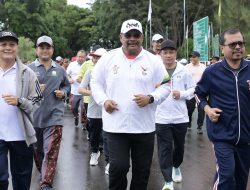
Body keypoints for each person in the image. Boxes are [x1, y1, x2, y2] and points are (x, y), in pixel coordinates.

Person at [90, 19, 171, 190]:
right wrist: (104, 101)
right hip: (115, 126)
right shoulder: (108, 58)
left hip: (144, 127)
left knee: (142, 172)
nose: (132, 39)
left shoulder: (153, 60)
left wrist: (151, 97)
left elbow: (166, 85)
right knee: (118, 167)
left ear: (142, 37)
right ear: (121, 37)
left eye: (136, 35)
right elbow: (95, 82)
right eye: (128, 35)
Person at [195, 28, 250, 190]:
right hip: (222, 135)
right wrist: (208, 110)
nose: (238, 47)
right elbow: (198, 94)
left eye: (240, 43)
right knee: (226, 175)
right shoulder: (212, 72)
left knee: (241, 180)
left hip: (246, 137)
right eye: (233, 44)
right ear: (222, 48)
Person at [0, 31, 42, 190]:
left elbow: (38, 98)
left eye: (11, 44)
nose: (7, 48)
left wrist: (20, 102)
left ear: (17, 47)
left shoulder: (28, 73)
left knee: (22, 181)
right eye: (3, 44)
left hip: (21, 135)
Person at [28, 35, 71, 190]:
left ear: (52, 50)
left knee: (51, 150)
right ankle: (44, 172)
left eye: (48, 47)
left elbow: (67, 86)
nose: (45, 50)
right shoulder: (29, 69)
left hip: (55, 116)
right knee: (38, 151)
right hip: (34, 118)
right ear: (36, 50)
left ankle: (46, 183)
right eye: (42, 47)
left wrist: (64, 93)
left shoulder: (59, 69)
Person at [155, 39, 195, 190]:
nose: (168, 56)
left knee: (179, 146)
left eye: (171, 52)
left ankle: (176, 166)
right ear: (161, 54)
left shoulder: (183, 70)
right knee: (164, 148)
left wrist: (182, 93)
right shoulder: (156, 70)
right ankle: (167, 181)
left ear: (175, 53)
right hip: (161, 117)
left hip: (180, 117)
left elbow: (193, 89)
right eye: (165, 53)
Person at [78, 48, 107, 167]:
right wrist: (93, 93)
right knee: (94, 134)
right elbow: (80, 89)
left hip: (109, 110)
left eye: (98, 57)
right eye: (94, 57)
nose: (95, 59)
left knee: (108, 136)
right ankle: (94, 152)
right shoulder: (90, 72)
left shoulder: (112, 72)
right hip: (94, 110)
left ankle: (109, 161)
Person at [185, 51, 206, 134]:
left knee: (201, 109)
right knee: (189, 109)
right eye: (191, 57)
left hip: (201, 90)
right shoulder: (187, 67)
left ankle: (199, 126)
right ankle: (188, 123)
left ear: (198, 57)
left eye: (194, 57)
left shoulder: (203, 67)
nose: (192, 58)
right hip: (190, 91)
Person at [66, 50, 87, 127]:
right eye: (79, 56)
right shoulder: (72, 64)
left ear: (85, 58)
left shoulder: (87, 65)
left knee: (83, 108)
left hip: (84, 92)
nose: (80, 58)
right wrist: (69, 79)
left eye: (82, 57)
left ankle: (84, 123)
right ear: (76, 56)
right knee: (74, 107)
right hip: (74, 91)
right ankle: (75, 116)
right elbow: (66, 75)